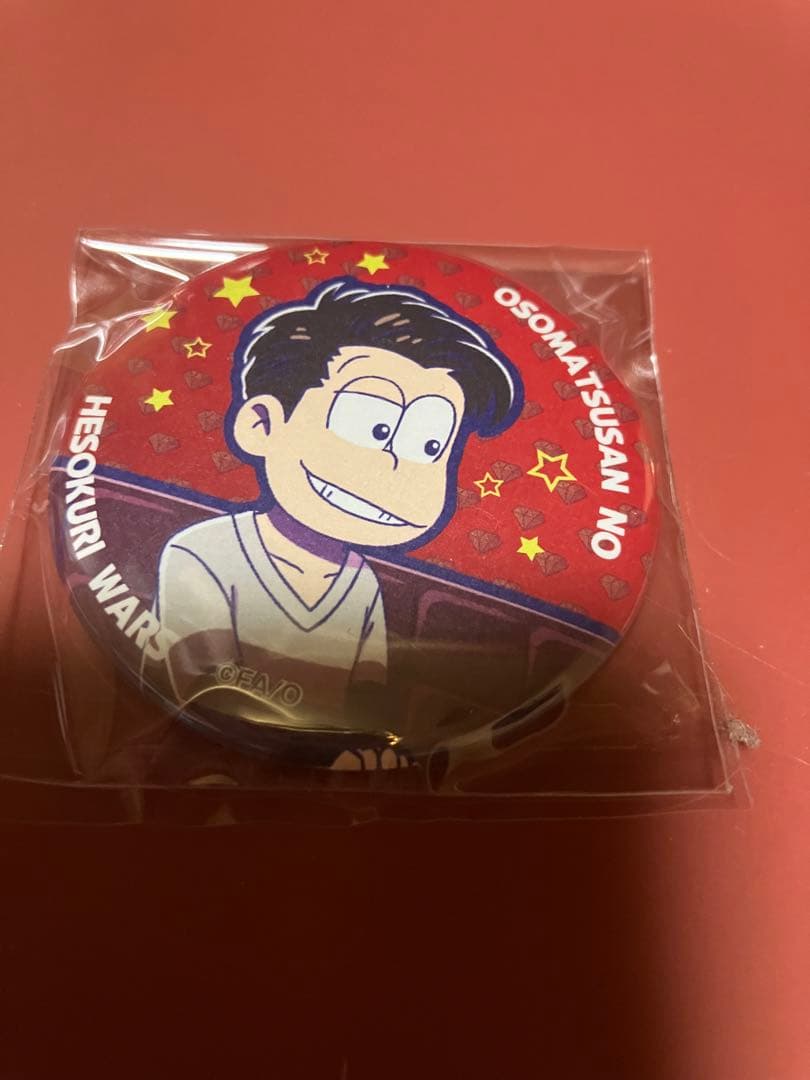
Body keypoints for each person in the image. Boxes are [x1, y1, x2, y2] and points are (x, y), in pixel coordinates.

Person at [156, 277, 522, 767]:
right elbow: (202, 689)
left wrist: (367, 751)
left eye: (430, 446)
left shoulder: (360, 581)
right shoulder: (201, 553)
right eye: (371, 426)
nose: (395, 466)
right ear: (261, 425)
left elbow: (368, 696)